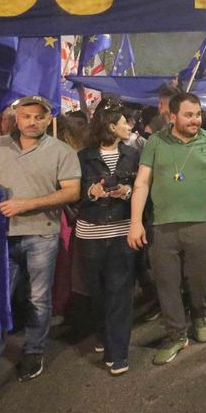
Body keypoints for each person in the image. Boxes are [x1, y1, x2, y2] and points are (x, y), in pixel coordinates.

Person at [0, 95, 81, 394]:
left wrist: (28, 204)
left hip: (41, 234)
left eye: (38, 117)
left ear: (48, 118)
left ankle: (33, 351)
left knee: (38, 299)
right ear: (16, 117)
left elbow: (71, 192)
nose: (32, 122)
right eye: (26, 116)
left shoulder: (61, 151)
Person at [128, 92, 206, 365]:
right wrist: (135, 223)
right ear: (173, 116)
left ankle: (199, 314)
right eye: (188, 115)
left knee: (200, 279)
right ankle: (176, 335)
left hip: (201, 224)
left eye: (198, 114)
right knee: (167, 283)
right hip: (163, 226)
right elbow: (142, 183)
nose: (195, 120)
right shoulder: (155, 143)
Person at [76, 107, 140, 376]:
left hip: (122, 231)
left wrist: (126, 192)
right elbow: (72, 193)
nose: (130, 127)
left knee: (120, 292)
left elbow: (141, 189)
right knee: (98, 292)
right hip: (90, 234)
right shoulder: (82, 158)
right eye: (125, 123)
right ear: (111, 126)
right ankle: (103, 334)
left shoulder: (134, 155)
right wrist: (91, 192)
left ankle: (118, 352)